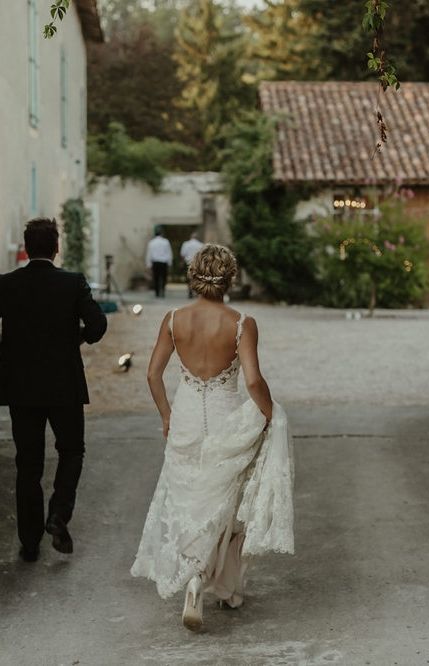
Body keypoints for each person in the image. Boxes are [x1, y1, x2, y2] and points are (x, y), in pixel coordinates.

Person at [131, 244, 294, 631]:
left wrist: (167, 415)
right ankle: (217, 584)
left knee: (188, 498)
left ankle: (198, 578)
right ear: (229, 277)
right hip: (224, 416)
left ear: (193, 276)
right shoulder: (242, 323)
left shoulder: (173, 320)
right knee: (225, 502)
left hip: (186, 416)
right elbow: (252, 380)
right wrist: (270, 415)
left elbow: (153, 375)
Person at [0, 218, 107, 562]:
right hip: (64, 383)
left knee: (28, 462)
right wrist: (75, 338)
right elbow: (98, 324)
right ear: (57, 247)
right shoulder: (72, 283)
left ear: (26, 248)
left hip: (21, 386)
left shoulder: (7, 284)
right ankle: (58, 514)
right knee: (71, 450)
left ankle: (29, 541)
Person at [145, 227, 173, 298]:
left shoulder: (152, 242)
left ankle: (157, 293)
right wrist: (170, 263)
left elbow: (149, 254)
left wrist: (148, 264)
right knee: (163, 278)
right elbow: (169, 253)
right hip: (163, 262)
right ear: (161, 234)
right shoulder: (166, 242)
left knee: (156, 278)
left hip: (155, 263)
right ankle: (162, 291)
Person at [180, 231, 204, 298]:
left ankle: (190, 291)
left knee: (189, 278)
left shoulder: (186, 244)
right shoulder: (201, 245)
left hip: (188, 263)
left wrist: (181, 263)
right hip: (197, 263)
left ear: (190, 237)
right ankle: (196, 291)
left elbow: (182, 255)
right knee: (196, 278)